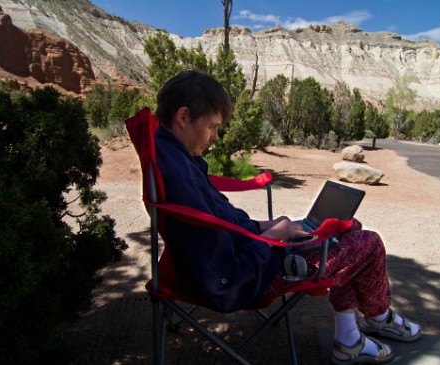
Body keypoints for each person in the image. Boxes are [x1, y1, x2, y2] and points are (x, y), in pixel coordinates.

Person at [154, 70, 421, 364]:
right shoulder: (182, 178)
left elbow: (217, 220)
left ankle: (352, 334)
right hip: (246, 279)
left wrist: (261, 226)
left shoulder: (173, 157)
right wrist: (270, 239)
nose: (216, 136)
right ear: (183, 117)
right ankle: (373, 321)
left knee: (347, 227)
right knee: (367, 243)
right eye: (213, 126)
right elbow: (224, 277)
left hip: (242, 252)